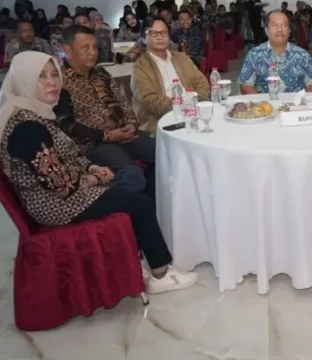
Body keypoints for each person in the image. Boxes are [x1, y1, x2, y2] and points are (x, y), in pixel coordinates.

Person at [0, 51, 199, 294]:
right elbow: (61, 185)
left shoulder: (35, 112)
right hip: (57, 204)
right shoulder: (26, 127)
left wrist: (91, 167)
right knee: (139, 202)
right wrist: (94, 178)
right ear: (24, 80)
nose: (51, 82)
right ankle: (161, 273)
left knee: (135, 181)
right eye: (41, 76)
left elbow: (67, 155)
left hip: (63, 192)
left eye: (54, 74)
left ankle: (138, 255)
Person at [55, 25, 154, 196]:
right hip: (93, 143)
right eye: (85, 47)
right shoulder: (59, 81)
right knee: (132, 173)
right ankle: (125, 205)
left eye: (95, 47)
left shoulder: (100, 73)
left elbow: (122, 101)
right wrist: (107, 136)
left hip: (124, 134)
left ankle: (156, 202)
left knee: (163, 155)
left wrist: (131, 123)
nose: (92, 52)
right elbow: (66, 126)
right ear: (68, 50)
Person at [132, 18, 210, 135]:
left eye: (164, 33)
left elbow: (202, 82)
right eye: (154, 33)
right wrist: (183, 106)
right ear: (143, 39)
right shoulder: (140, 67)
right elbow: (149, 100)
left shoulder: (182, 58)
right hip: (161, 122)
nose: (160, 37)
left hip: (193, 115)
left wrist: (196, 103)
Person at [238, 10, 312, 94]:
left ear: (289, 31)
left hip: (296, 101)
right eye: (275, 25)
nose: (280, 29)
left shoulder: (303, 55)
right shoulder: (254, 54)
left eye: (284, 25)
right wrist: (261, 101)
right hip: (264, 101)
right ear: (266, 31)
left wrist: (304, 100)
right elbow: (245, 85)